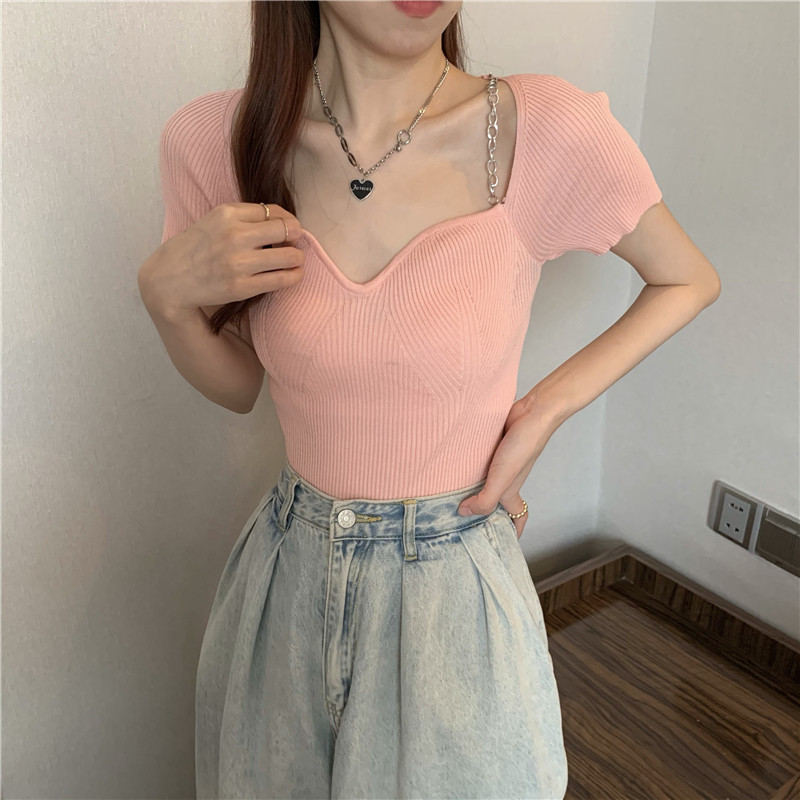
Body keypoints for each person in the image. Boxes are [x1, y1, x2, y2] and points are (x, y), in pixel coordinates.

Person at [138, 1, 722, 797]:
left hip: (456, 595)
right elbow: (241, 385)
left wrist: (545, 409)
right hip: (283, 588)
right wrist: (166, 300)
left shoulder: (537, 130)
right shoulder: (222, 143)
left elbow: (687, 277)